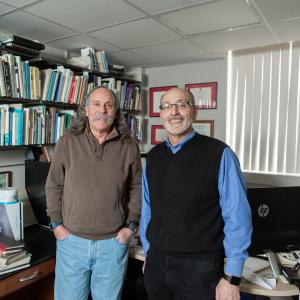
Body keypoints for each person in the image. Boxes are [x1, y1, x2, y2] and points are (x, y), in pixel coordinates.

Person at [140, 87, 252, 300]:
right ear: (161, 113)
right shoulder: (153, 157)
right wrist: (148, 252)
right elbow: (148, 209)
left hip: (201, 268)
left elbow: (238, 216)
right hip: (156, 265)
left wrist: (232, 277)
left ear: (194, 112)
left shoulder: (220, 154)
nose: (174, 112)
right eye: (167, 106)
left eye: (182, 104)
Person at [46, 86, 142, 300]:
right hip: (72, 242)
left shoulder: (129, 146)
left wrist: (131, 226)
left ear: (115, 112)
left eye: (109, 105)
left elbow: (137, 187)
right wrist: (56, 224)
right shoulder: (67, 142)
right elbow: (53, 185)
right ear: (86, 110)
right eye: (96, 104)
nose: (103, 110)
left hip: (112, 244)